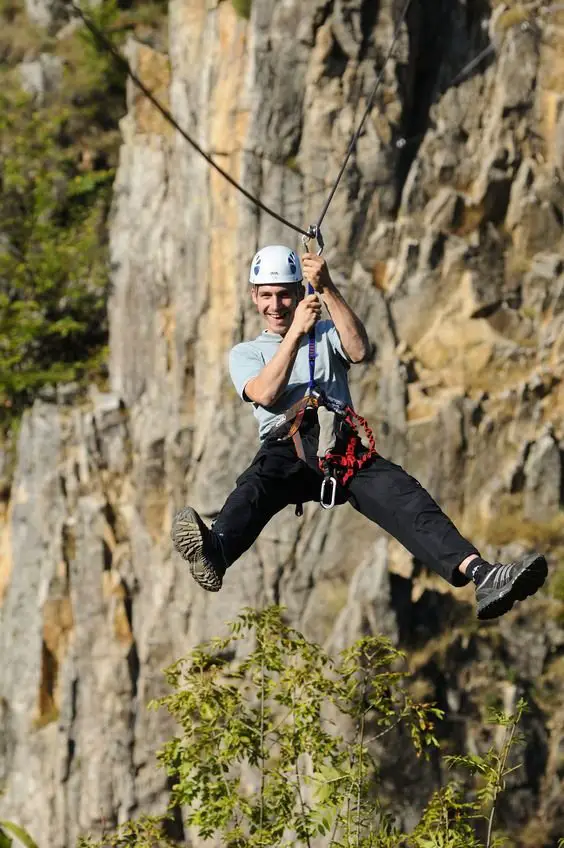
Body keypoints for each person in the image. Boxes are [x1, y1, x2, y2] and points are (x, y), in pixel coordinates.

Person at [171, 245, 548, 620]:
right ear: (254, 296)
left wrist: (327, 286)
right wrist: (296, 334)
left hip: (340, 445)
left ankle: (483, 575)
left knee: (406, 498)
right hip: (288, 445)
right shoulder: (247, 352)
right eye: (267, 295)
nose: (276, 304)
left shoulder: (324, 332)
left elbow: (359, 348)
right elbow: (266, 393)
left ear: (300, 292)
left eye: (285, 293)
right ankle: (217, 552)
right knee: (254, 487)